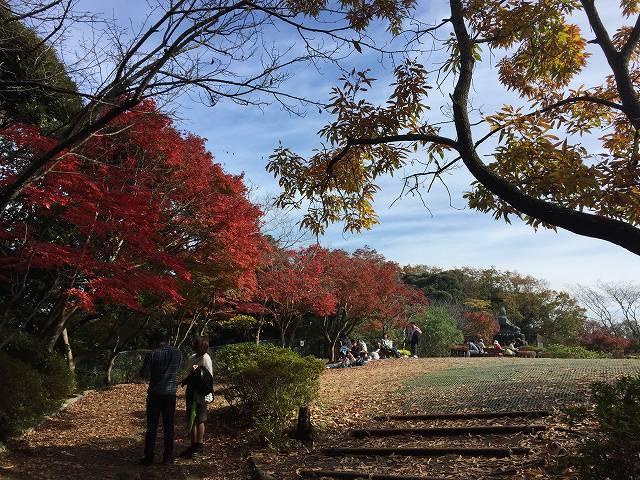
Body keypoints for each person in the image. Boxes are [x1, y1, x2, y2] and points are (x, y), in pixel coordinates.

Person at [139, 332, 182, 466]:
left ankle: (149, 456)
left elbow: (144, 374)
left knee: (152, 426)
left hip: (155, 393)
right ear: (167, 340)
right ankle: (168, 457)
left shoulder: (152, 354)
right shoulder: (177, 353)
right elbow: (177, 370)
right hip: (170, 393)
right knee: (169, 426)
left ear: (155, 342)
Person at [179, 336, 213, 459]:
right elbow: (189, 375)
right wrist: (183, 381)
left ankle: (199, 445)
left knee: (200, 419)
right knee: (191, 418)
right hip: (191, 392)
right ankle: (192, 445)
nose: (197, 348)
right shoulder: (192, 358)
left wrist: (197, 372)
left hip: (201, 393)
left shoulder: (206, 359)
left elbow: (208, 379)